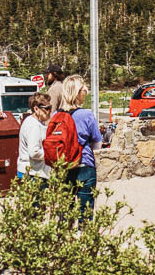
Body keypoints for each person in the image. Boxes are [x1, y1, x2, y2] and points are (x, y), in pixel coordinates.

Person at [59, 75, 102, 216]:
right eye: (84, 89)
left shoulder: (56, 115)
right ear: (78, 93)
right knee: (86, 210)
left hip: (63, 165)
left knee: (65, 211)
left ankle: (65, 236)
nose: (86, 92)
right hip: (84, 164)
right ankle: (84, 235)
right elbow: (97, 142)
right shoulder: (86, 115)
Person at [17, 92, 52, 182]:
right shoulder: (34, 125)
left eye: (50, 107)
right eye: (47, 108)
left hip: (32, 172)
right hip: (33, 174)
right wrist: (51, 154)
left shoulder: (32, 122)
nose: (50, 111)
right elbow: (34, 152)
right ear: (36, 109)